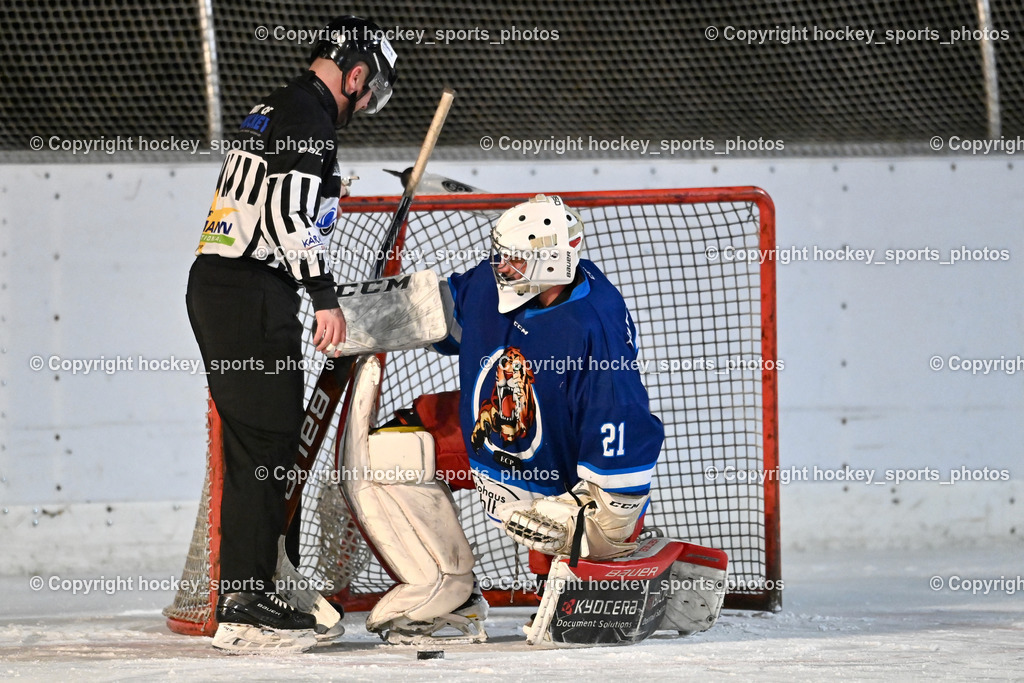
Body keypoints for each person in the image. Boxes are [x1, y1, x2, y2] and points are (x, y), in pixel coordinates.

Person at [339, 194, 665, 644]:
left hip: (559, 463)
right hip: (491, 429)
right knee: (393, 453)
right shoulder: (496, 286)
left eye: (513, 260)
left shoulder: (593, 331)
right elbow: (441, 310)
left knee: (570, 587)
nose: (500, 266)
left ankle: (619, 572)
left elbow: (625, 428)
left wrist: (606, 522)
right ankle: (447, 594)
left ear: (549, 264)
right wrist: (347, 316)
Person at [185, 15, 397, 653]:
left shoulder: (275, 105)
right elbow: (285, 214)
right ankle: (247, 602)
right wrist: (324, 298)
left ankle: (258, 587)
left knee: (263, 441)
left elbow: (281, 202)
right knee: (267, 445)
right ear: (355, 74)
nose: (368, 99)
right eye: (371, 86)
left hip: (230, 289)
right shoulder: (310, 118)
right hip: (249, 290)